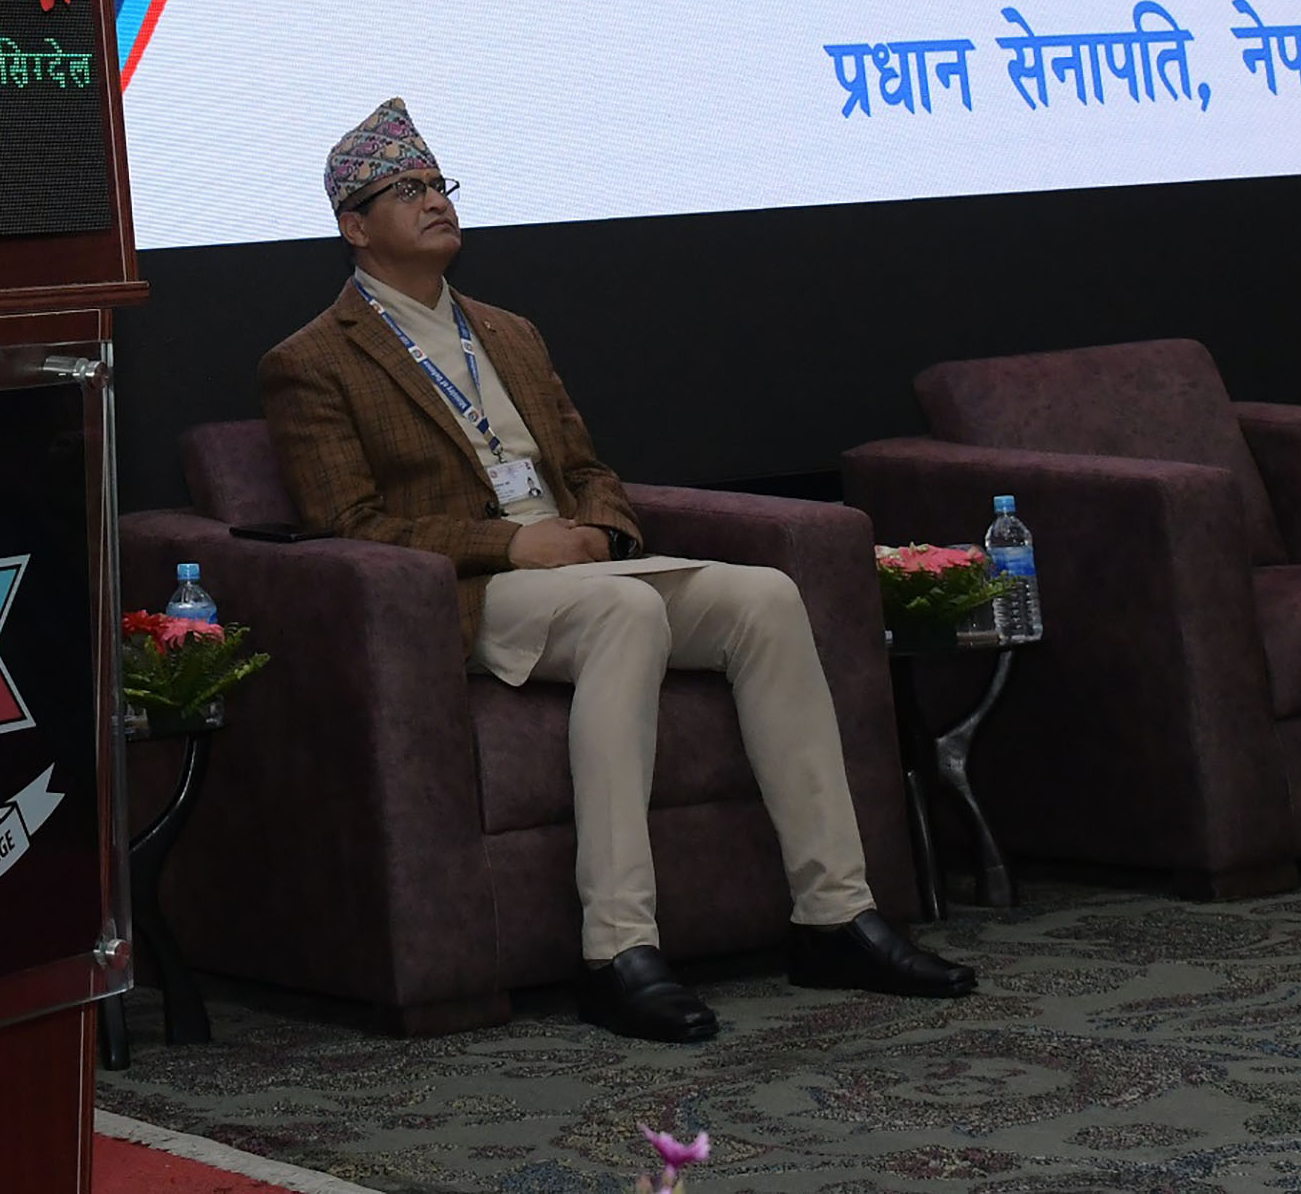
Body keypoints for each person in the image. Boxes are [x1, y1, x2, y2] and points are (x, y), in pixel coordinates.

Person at [259, 99, 974, 1043]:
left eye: (439, 183)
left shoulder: (509, 332)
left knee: (765, 596)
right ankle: (618, 949)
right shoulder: (312, 360)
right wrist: (514, 545)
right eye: (408, 189)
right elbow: (346, 523)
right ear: (355, 226)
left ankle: (835, 915)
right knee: (627, 618)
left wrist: (598, 527)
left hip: (579, 568)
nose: (436, 201)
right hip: (475, 592)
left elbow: (589, 468)